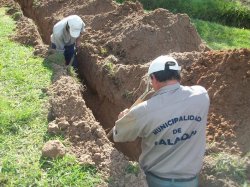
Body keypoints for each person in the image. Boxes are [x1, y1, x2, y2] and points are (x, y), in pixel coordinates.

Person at [113, 55, 210, 187]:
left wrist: (123, 119)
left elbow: (120, 135)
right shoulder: (202, 95)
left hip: (156, 181)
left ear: (153, 78)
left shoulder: (144, 111)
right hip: (190, 182)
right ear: (178, 75)